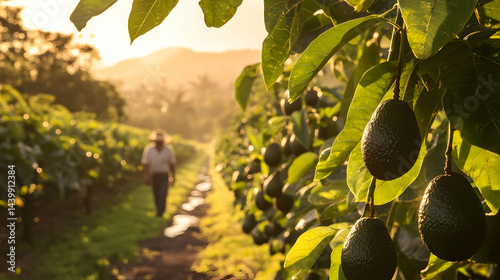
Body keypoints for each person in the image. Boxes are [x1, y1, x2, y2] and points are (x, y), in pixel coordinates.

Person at [141, 129, 176, 217]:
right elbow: (145, 164)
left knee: (163, 193)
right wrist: (147, 176)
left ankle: (161, 212)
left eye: (160, 141)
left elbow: (172, 164)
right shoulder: (149, 150)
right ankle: (158, 211)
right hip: (154, 176)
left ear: (163, 141)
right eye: (157, 141)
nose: (159, 143)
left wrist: (173, 176)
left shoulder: (168, 150)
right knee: (156, 194)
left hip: (164, 175)